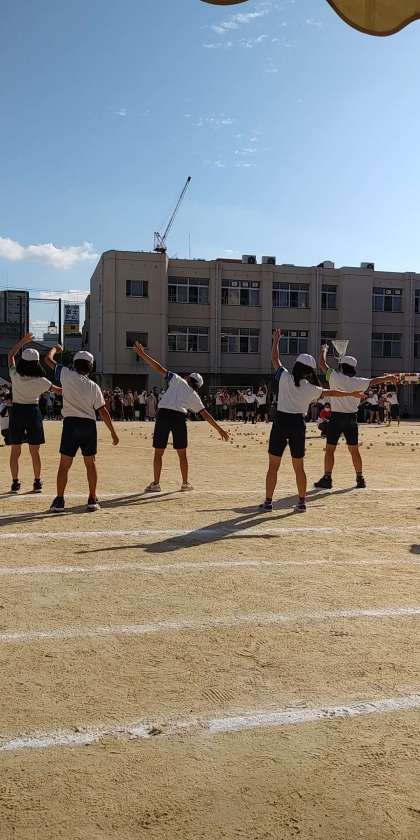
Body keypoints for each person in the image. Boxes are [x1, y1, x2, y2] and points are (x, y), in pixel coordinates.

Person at [260, 330, 367, 514]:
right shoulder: (312, 389)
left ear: (296, 366)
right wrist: (352, 393)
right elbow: (332, 392)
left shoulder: (284, 377)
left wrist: (276, 340)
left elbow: (275, 359)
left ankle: (268, 502)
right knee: (299, 466)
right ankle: (302, 502)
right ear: (310, 372)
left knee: (273, 466)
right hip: (298, 425)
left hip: (281, 422)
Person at [132, 341, 229, 491]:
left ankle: (156, 484)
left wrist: (143, 355)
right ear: (197, 386)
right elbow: (205, 414)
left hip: (163, 414)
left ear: (188, 378)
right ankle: (185, 483)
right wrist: (219, 429)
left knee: (159, 452)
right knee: (182, 453)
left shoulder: (177, 379)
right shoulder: (194, 395)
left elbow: (159, 368)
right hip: (179, 418)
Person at [44, 346, 119, 513]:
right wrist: (113, 433)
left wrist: (55, 349)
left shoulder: (66, 375)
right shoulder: (94, 386)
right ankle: (92, 498)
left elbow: (48, 360)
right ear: (90, 367)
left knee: (64, 465)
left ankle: (59, 500)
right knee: (90, 463)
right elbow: (103, 411)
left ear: (75, 363)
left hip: (71, 424)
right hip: (89, 426)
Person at [315, 346, 399, 490]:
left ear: (342, 366)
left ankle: (327, 478)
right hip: (351, 419)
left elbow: (322, 364)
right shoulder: (360, 381)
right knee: (354, 450)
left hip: (336, 418)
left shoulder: (334, 376)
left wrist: (324, 350)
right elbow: (375, 380)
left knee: (330, 450)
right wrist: (389, 378)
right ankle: (360, 479)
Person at [7, 333, 62, 494]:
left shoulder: (15, 375)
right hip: (33, 412)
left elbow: (10, 355)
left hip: (17, 411)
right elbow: (59, 391)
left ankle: (15, 483)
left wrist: (23, 341)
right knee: (34, 451)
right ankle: (37, 482)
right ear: (37, 363)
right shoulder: (42, 381)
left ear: (23, 361)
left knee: (15, 450)